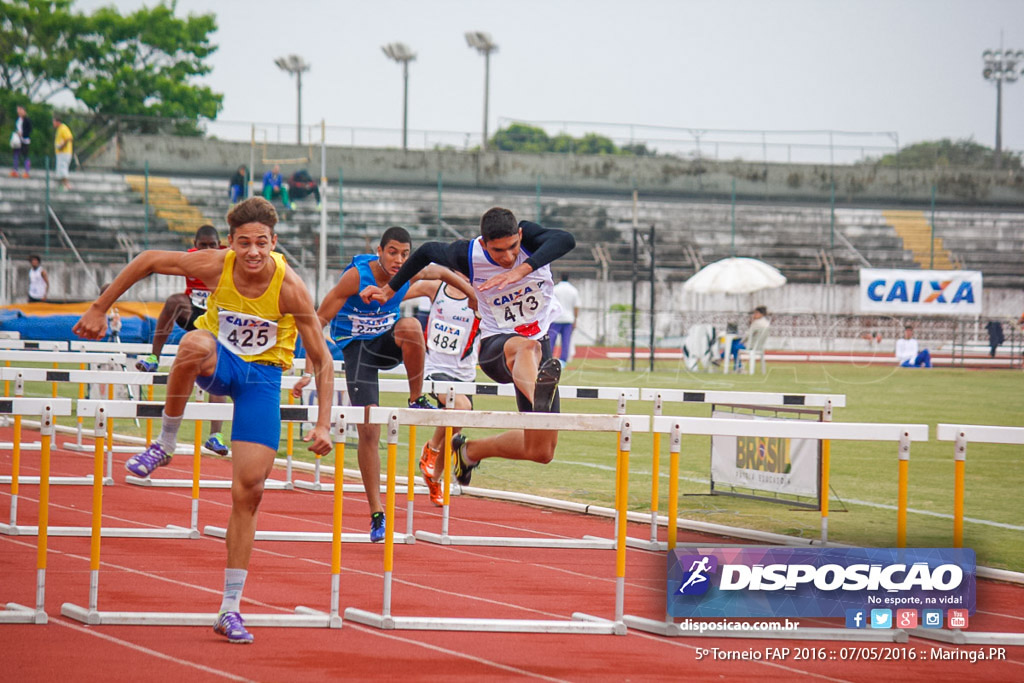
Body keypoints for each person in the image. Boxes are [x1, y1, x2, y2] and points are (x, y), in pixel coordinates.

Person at [72, 196, 335, 644]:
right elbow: (149, 260)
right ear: (231, 243)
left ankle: (229, 608)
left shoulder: (291, 288)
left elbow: (322, 360)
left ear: (275, 244)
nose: (253, 252)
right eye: (244, 243)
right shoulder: (216, 264)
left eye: (262, 243)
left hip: (263, 380)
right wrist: (100, 307)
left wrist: (324, 423)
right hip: (221, 361)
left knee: (248, 491)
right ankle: (165, 443)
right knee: (193, 342)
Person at [361, 207, 575, 488]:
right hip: (497, 346)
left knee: (542, 450)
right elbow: (426, 252)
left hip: (538, 346)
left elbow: (567, 240)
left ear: (520, 235)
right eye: (499, 251)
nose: (508, 256)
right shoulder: (468, 255)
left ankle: (470, 451)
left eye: (513, 247)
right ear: (484, 243)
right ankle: (540, 396)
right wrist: (390, 290)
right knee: (526, 348)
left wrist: (522, 270)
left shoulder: (530, 239)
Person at [292, 227, 473, 541]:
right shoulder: (356, 277)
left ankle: (415, 398)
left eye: (405, 254)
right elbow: (317, 321)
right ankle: (377, 512)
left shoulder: (408, 272)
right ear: (379, 250)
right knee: (370, 430)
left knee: (412, 326)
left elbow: (443, 272)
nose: (399, 260)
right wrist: (308, 370)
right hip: (357, 351)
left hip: (386, 344)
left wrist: (474, 298)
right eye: (393, 252)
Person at [135, 225, 230, 456]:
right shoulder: (188, 259)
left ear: (220, 245)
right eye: (202, 245)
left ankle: (215, 436)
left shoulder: (228, 258)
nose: (207, 250)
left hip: (218, 319)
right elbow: (154, 266)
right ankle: (153, 357)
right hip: (193, 312)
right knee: (173, 301)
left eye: (211, 245)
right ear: (195, 245)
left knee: (216, 372)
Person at [414, 278, 481, 507]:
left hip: (464, 374)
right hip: (434, 368)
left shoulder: (478, 297)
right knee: (461, 407)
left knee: (453, 432)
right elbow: (397, 291)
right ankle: (431, 449)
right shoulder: (436, 288)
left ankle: (434, 479)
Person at [550, 273, 580, 365]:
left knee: (551, 340)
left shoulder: (555, 289)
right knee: (566, 341)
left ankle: (548, 358)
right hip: (568, 319)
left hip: (555, 318)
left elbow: (550, 304)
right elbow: (576, 306)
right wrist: (575, 320)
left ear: (560, 278)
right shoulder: (573, 290)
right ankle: (563, 361)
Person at [52, 115, 73, 190]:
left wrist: (62, 146)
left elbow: (69, 138)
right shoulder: (59, 129)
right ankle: (63, 185)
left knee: (63, 168)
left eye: (54, 121)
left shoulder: (63, 128)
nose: (53, 123)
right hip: (60, 153)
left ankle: (67, 184)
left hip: (64, 152)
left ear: (57, 122)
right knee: (60, 169)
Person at [11, 105, 32, 178]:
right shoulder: (17, 119)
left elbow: (29, 130)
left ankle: (27, 171)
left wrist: (23, 134)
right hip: (17, 140)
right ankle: (15, 170)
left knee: (25, 155)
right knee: (15, 154)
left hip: (25, 140)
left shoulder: (27, 119)